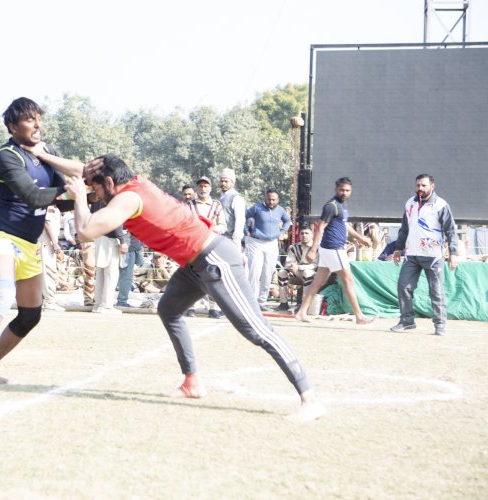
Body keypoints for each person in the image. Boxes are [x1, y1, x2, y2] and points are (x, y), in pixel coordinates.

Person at [66, 154, 325, 422]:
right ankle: (192, 382)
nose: (95, 194)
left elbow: (85, 231)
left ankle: (310, 399)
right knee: (169, 309)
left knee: (256, 330)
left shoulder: (128, 198)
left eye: (96, 189)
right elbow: (81, 170)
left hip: (214, 259)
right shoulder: (134, 182)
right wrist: (40, 153)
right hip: (194, 265)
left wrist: (79, 198)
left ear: (109, 181)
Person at [0, 97, 84, 404]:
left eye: (39, 118)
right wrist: (72, 190)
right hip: (1, 236)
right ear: (13, 127)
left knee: (30, 315)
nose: (37, 124)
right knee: (2, 295)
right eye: (30, 120)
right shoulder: (6, 155)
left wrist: (86, 195)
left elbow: (62, 201)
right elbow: (34, 197)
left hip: (29, 244)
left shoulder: (46, 154)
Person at [295, 177, 374, 324]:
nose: (344, 192)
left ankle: (301, 312)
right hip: (333, 248)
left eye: (347, 190)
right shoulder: (331, 206)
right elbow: (320, 228)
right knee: (348, 280)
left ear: (351, 191)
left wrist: (360, 238)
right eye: (341, 190)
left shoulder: (342, 206)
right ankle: (359, 316)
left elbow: (345, 225)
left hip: (330, 249)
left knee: (318, 281)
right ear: (336, 190)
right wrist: (312, 250)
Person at [390, 174, 458, 336]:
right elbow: (405, 228)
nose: (420, 188)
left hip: (433, 256)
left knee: (436, 291)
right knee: (403, 286)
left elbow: (450, 230)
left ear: (432, 186)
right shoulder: (410, 203)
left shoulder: (440, 205)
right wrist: (398, 248)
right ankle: (407, 321)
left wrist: (453, 253)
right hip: (412, 254)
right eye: (418, 185)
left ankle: (440, 324)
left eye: (424, 185)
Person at [185, 176, 226, 319]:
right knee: (193, 276)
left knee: (212, 275)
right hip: (193, 245)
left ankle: (213, 308)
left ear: (210, 188)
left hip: (210, 244)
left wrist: (212, 229)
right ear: (197, 188)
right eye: (200, 186)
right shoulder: (189, 205)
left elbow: (223, 226)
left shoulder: (217, 205)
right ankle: (190, 306)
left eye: (205, 186)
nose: (203, 189)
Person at [245, 189, 291, 311]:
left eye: (274, 199)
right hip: (256, 242)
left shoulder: (280, 210)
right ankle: (252, 302)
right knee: (255, 272)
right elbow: (243, 216)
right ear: (265, 198)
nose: (271, 202)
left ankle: (261, 302)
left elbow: (287, 221)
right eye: (269, 199)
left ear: (278, 200)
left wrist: (282, 232)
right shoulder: (257, 208)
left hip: (272, 243)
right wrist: (246, 231)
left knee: (268, 272)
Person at [276, 223, 317, 311]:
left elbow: (315, 265)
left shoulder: (316, 247)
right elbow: (289, 262)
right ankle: (283, 303)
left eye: (307, 233)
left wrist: (299, 267)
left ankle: (304, 304)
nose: (304, 235)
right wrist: (291, 266)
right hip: (297, 273)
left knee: (307, 273)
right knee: (282, 273)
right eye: (302, 233)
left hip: (314, 275)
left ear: (312, 235)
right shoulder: (294, 247)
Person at [218, 168, 246, 250]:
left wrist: (236, 238)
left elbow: (240, 220)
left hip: (231, 239)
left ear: (232, 183)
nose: (223, 183)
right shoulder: (221, 197)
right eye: (222, 181)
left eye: (226, 181)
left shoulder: (237, 198)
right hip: (220, 238)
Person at [116, 230, 144, 308]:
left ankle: (102, 300)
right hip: (127, 246)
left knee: (110, 275)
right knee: (126, 276)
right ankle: (122, 301)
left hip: (123, 245)